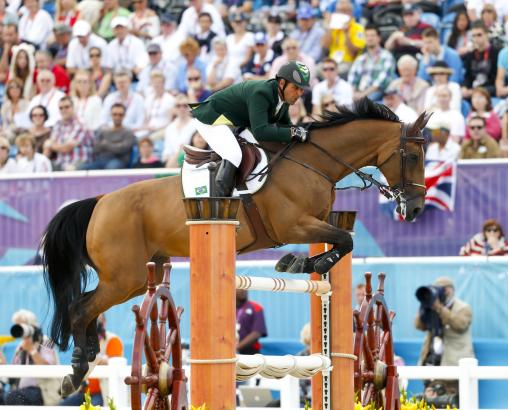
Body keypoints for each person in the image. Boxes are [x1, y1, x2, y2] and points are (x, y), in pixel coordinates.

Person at [190, 61, 311, 197]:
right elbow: (261, 132)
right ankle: (218, 204)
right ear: (282, 83)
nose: (300, 93)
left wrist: (303, 131)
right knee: (234, 154)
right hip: (211, 119)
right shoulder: (262, 93)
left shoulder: (283, 98)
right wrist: (294, 132)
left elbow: (286, 126)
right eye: (296, 88)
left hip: (233, 123)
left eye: (302, 90)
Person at [414, 276, 475, 398]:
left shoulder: (463, 308)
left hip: (454, 362)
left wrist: (440, 308)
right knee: (430, 399)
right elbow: (419, 326)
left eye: (442, 289)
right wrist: (424, 307)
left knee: (448, 399)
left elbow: (459, 325)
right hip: (432, 361)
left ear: (450, 290)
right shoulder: (431, 307)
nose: (440, 293)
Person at [60, 313, 124, 406]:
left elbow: (113, 363)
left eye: (97, 320)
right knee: (61, 406)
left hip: (103, 392)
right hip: (85, 391)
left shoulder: (112, 340)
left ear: (104, 323)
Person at [4, 309, 59, 405]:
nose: (20, 329)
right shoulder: (21, 346)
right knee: (6, 396)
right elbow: (12, 374)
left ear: (32, 326)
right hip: (20, 390)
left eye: (22, 326)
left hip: (42, 391)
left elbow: (48, 369)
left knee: (14, 396)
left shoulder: (46, 342)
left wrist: (31, 350)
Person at [81, 103, 136, 170]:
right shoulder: (103, 131)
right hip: (101, 161)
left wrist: (105, 144)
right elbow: (95, 149)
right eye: (114, 114)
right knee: (81, 168)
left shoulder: (128, 132)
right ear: (111, 115)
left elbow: (122, 149)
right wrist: (115, 145)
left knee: (111, 168)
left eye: (120, 115)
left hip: (119, 161)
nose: (117, 117)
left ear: (124, 116)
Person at [348, 24, 395, 101]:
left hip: (379, 95)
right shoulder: (361, 59)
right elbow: (352, 78)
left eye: (372, 35)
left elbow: (381, 82)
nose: (369, 38)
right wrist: (354, 93)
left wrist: (363, 94)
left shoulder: (386, 56)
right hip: (360, 94)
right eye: (367, 36)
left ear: (379, 38)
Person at [46, 96, 94, 170]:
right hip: (61, 163)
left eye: (67, 107)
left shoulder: (81, 123)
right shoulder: (58, 124)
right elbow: (48, 146)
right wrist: (50, 145)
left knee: (71, 169)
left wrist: (52, 145)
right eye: (61, 108)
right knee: (44, 166)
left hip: (79, 163)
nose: (63, 110)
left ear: (73, 108)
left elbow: (66, 148)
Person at [321, 0, 365, 76]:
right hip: (332, 61)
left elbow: (353, 53)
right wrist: (329, 28)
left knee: (333, 72)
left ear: (351, 13)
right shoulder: (334, 27)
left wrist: (346, 33)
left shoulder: (358, 28)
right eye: (339, 10)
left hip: (348, 62)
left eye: (345, 11)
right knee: (316, 70)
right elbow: (324, 46)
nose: (342, 13)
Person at [462, 21, 500, 100]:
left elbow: (496, 80)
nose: (476, 38)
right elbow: (468, 77)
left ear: (486, 34)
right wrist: (465, 88)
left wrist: (476, 91)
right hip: (472, 92)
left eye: (479, 35)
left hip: (491, 92)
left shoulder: (496, 53)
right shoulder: (470, 55)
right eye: (474, 36)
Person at [162, 94, 196, 166]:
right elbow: (167, 151)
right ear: (174, 108)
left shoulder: (196, 125)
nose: (182, 108)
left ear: (189, 107)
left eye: (185, 105)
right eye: (178, 106)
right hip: (173, 164)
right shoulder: (169, 128)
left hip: (191, 162)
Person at [236, 289, 267, 355]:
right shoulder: (227, 308)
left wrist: (236, 348)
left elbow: (257, 333)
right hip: (228, 350)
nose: (242, 290)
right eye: (239, 288)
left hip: (250, 352)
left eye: (244, 288)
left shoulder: (256, 307)